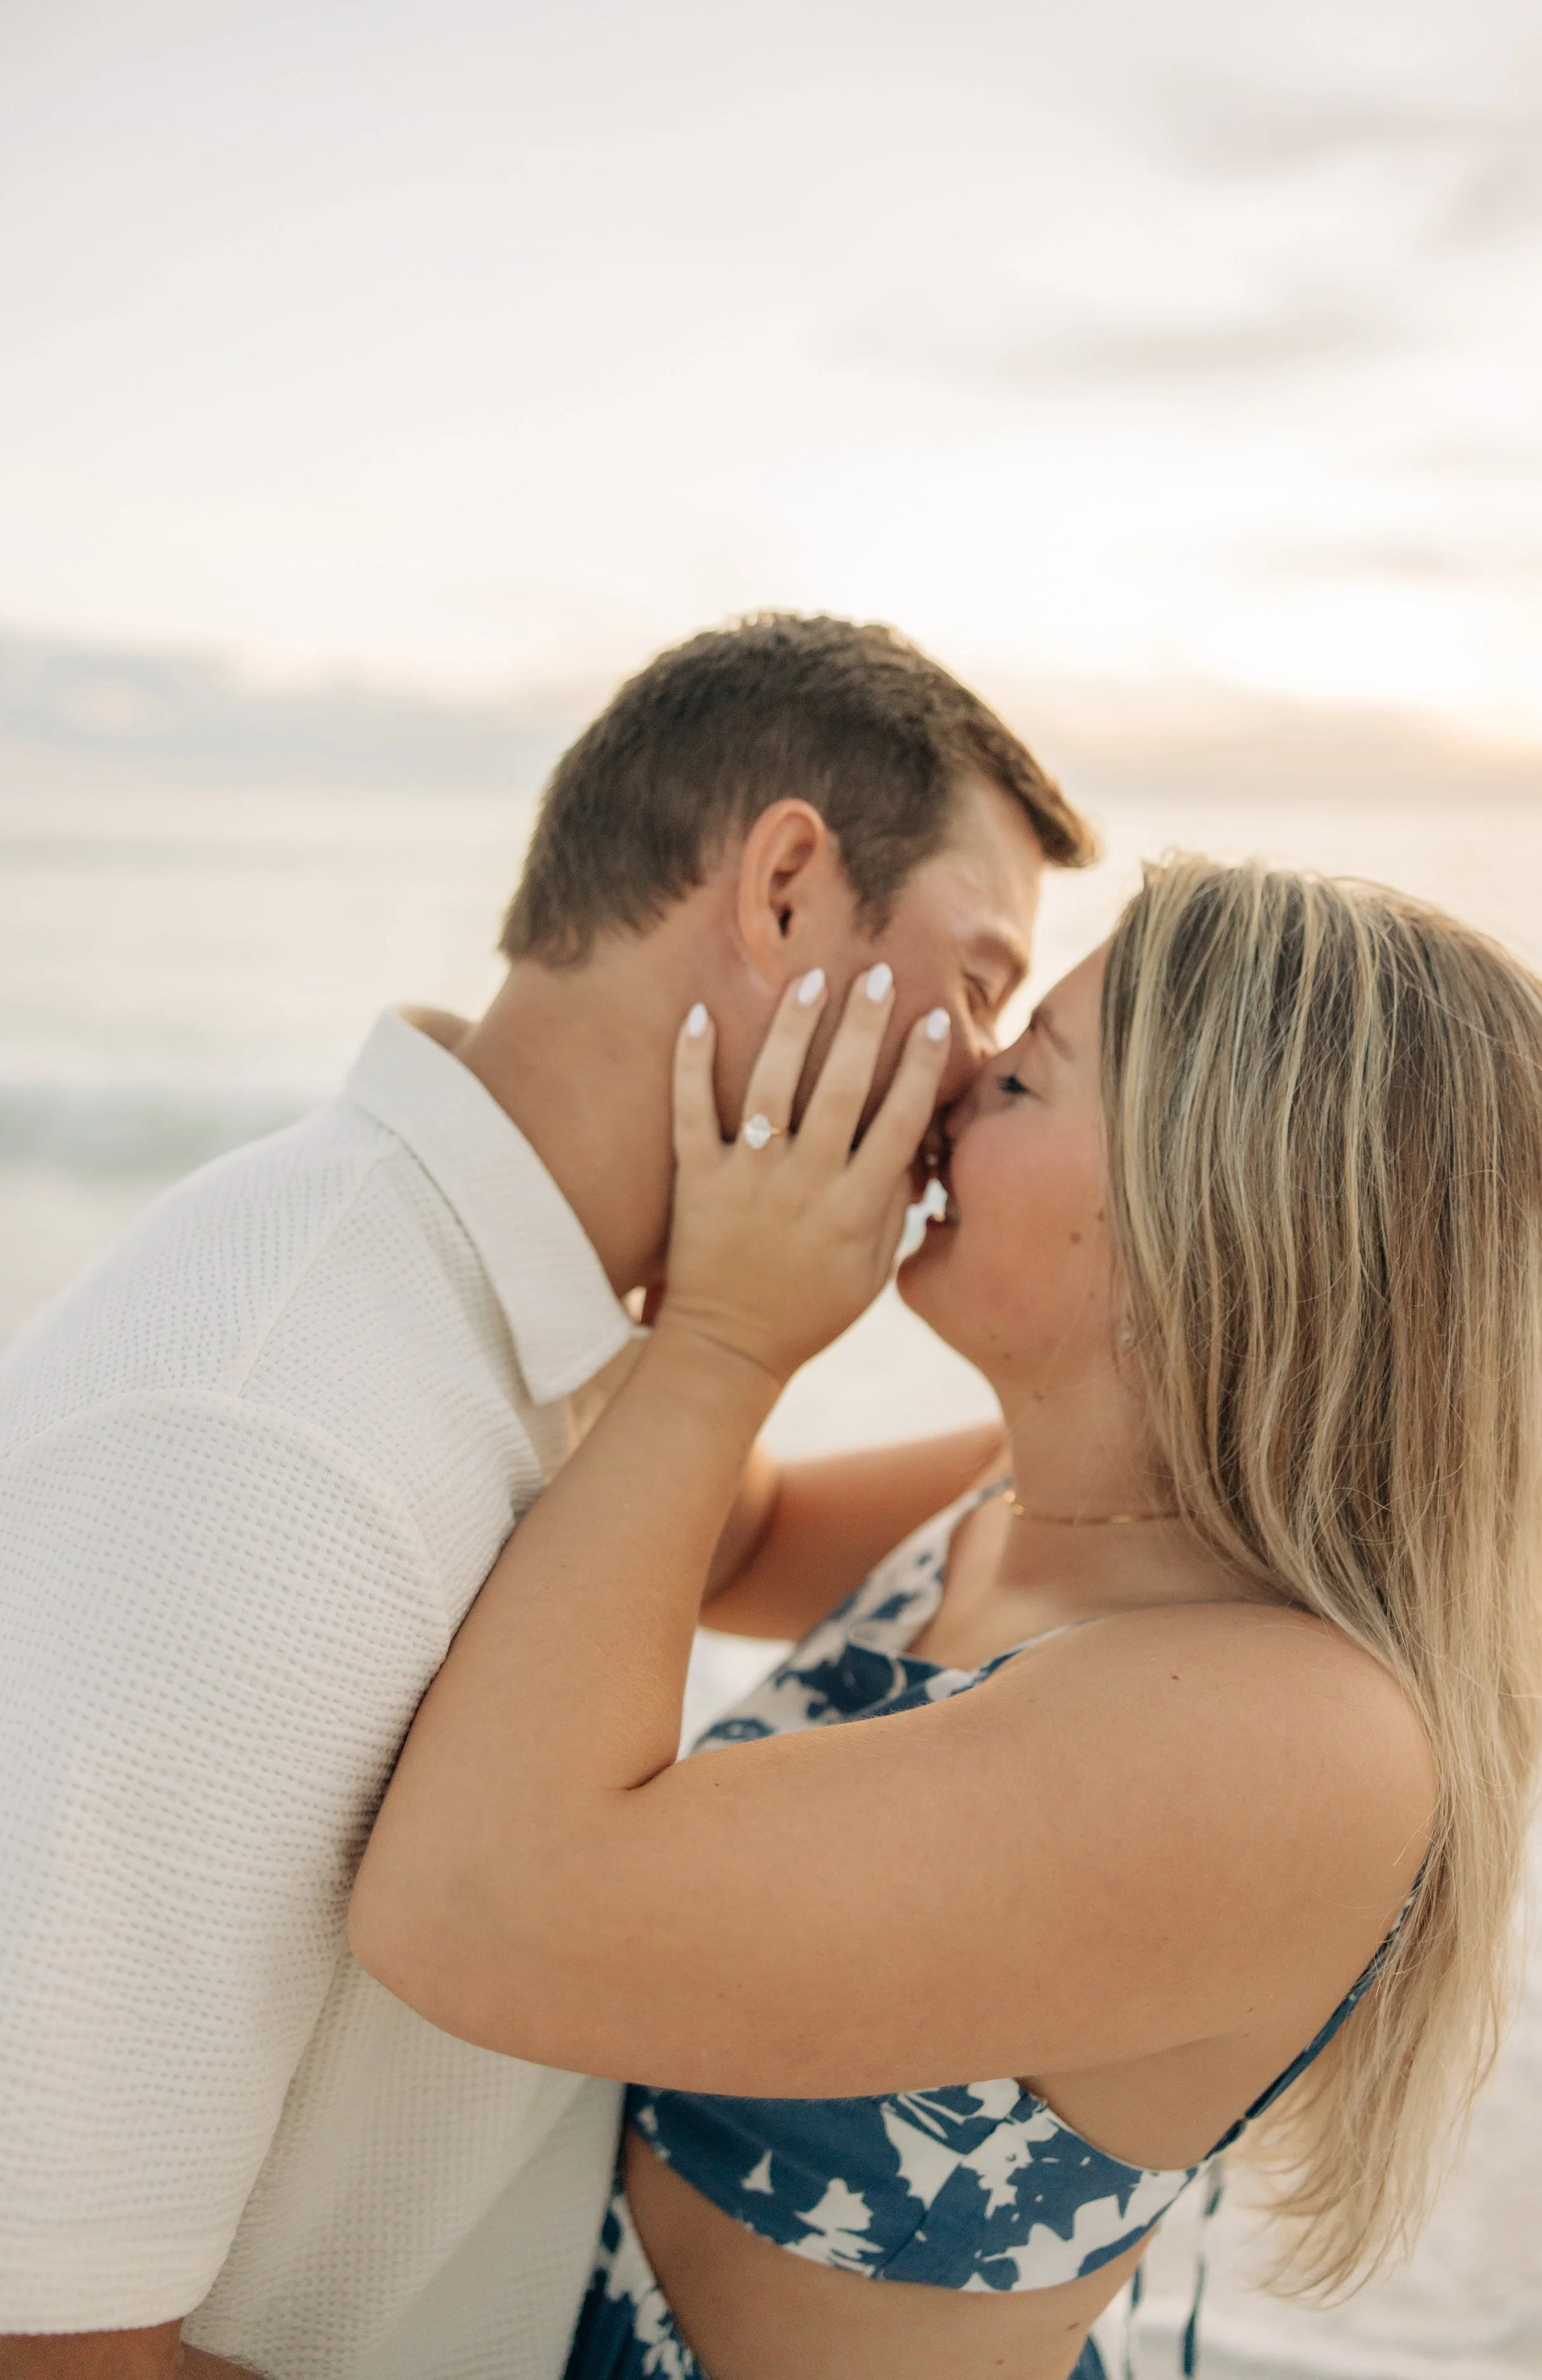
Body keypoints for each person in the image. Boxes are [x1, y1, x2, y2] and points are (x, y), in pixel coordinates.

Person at [0, 617, 1089, 2380]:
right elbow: (46, 2330)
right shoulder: (270, 1437)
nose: (978, 1076)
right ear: (788, 889)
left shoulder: (537, 1314)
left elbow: (739, 1532)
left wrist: (1248, 1390)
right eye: (972, 979)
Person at [349, 857, 1542, 2380]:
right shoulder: (1038, 1503)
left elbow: (466, 1909)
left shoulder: (1295, 1735)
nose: (948, 1077)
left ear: (1205, 1214)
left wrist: (735, 1341)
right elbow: (717, 1528)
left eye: (1021, 1078)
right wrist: (677, 1218)